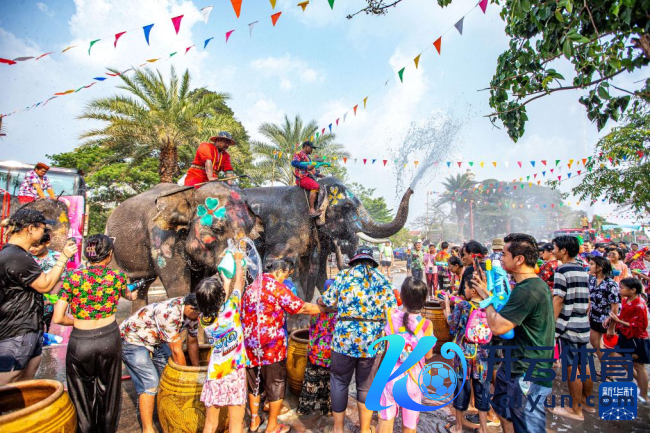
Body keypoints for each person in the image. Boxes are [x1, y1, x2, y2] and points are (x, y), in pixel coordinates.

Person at [53, 235, 137, 433]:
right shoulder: (116, 277)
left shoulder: (73, 278)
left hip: (80, 342)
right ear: (109, 255)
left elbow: (58, 318)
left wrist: (81, 321)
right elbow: (129, 295)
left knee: (81, 396)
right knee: (109, 394)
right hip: (109, 339)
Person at [471, 233, 554, 433]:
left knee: (527, 424)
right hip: (514, 364)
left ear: (519, 259)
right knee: (505, 410)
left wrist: (486, 301)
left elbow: (498, 327)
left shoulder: (529, 290)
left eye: (505, 254)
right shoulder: (524, 287)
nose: (500, 258)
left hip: (529, 370)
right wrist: (486, 294)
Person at [243, 259, 324, 433]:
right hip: (271, 347)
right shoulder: (276, 287)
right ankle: (272, 426)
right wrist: (327, 309)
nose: (285, 278)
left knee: (254, 383)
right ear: (280, 271)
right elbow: (301, 308)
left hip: (250, 346)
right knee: (276, 385)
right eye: (286, 275)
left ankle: (254, 421)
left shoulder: (251, 287)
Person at [322, 246, 397, 433]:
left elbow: (327, 301)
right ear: (372, 262)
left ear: (354, 260)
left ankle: (338, 428)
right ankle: (365, 429)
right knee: (366, 386)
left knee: (339, 381)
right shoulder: (382, 279)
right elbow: (393, 309)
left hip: (344, 340)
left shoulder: (343, 276)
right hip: (372, 341)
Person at [0, 209, 77, 385]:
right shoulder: (16, 257)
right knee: (7, 380)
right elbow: (45, 285)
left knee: (25, 383)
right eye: (42, 228)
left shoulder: (18, 255)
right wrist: (64, 257)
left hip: (31, 328)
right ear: (31, 229)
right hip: (17, 331)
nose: (44, 232)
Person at [120, 293, 200, 433]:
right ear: (190, 308)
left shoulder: (194, 313)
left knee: (167, 373)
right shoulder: (169, 313)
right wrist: (186, 379)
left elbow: (193, 342)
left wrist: (197, 371)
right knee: (150, 382)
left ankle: (166, 411)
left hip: (156, 338)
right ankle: (148, 428)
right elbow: (176, 351)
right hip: (133, 338)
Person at [196, 251, 247, 433]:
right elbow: (239, 284)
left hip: (216, 374)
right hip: (234, 372)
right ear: (221, 296)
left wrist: (225, 281)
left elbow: (219, 305)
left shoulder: (204, 319)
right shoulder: (232, 309)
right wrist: (239, 262)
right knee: (236, 423)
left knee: (210, 424)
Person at [378, 277, 433, 433]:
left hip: (390, 375)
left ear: (401, 297)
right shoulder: (426, 325)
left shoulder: (390, 315)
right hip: (413, 380)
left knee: (385, 420)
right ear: (424, 300)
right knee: (409, 426)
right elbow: (428, 355)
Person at [550, 235, 592, 421]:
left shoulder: (562, 270)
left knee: (571, 368)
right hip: (583, 324)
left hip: (568, 325)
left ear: (563, 250)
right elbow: (587, 300)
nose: (553, 251)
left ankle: (576, 410)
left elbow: (558, 299)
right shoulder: (583, 269)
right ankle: (586, 403)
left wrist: (551, 324)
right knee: (584, 365)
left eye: (554, 248)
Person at [444, 279, 490, 433]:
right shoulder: (489, 307)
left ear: (474, 290)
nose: (464, 290)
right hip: (483, 355)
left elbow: (452, 323)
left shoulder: (463, 306)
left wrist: (446, 307)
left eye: (466, 287)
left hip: (463, 354)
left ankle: (458, 427)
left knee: (461, 388)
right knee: (482, 389)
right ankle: (483, 428)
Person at [298, 279, 337, 416]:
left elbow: (312, 328)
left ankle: (305, 409)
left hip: (314, 352)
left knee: (311, 381)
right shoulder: (337, 313)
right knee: (329, 384)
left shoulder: (315, 310)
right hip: (330, 355)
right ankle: (327, 411)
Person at [608, 278, 650, 399]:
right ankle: (642, 384)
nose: (619, 290)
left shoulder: (639, 305)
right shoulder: (627, 300)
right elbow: (626, 317)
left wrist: (618, 321)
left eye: (622, 288)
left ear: (632, 290)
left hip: (636, 339)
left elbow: (640, 326)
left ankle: (644, 394)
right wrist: (614, 319)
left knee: (639, 366)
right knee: (615, 356)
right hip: (625, 335)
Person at [29, 229, 64, 332]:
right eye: (31, 245)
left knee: (44, 327)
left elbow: (62, 279)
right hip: (29, 301)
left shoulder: (57, 257)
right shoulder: (26, 257)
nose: (32, 249)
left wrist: (52, 296)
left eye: (36, 246)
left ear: (47, 243)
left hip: (48, 301)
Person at [587, 256, 620, 361]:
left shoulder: (610, 284)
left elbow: (615, 307)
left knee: (610, 347)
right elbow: (590, 300)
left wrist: (611, 326)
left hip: (607, 319)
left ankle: (610, 370)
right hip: (594, 316)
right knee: (594, 342)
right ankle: (605, 366)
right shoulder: (592, 281)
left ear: (600, 267)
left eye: (592, 264)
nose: (589, 266)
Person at [291, 140, 324, 217]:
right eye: (311, 148)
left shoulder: (308, 158)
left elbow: (310, 170)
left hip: (308, 177)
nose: (312, 150)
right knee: (315, 186)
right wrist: (306, 166)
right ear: (306, 147)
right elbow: (294, 163)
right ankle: (312, 210)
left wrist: (318, 175)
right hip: (301, 178)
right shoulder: (298, 154)